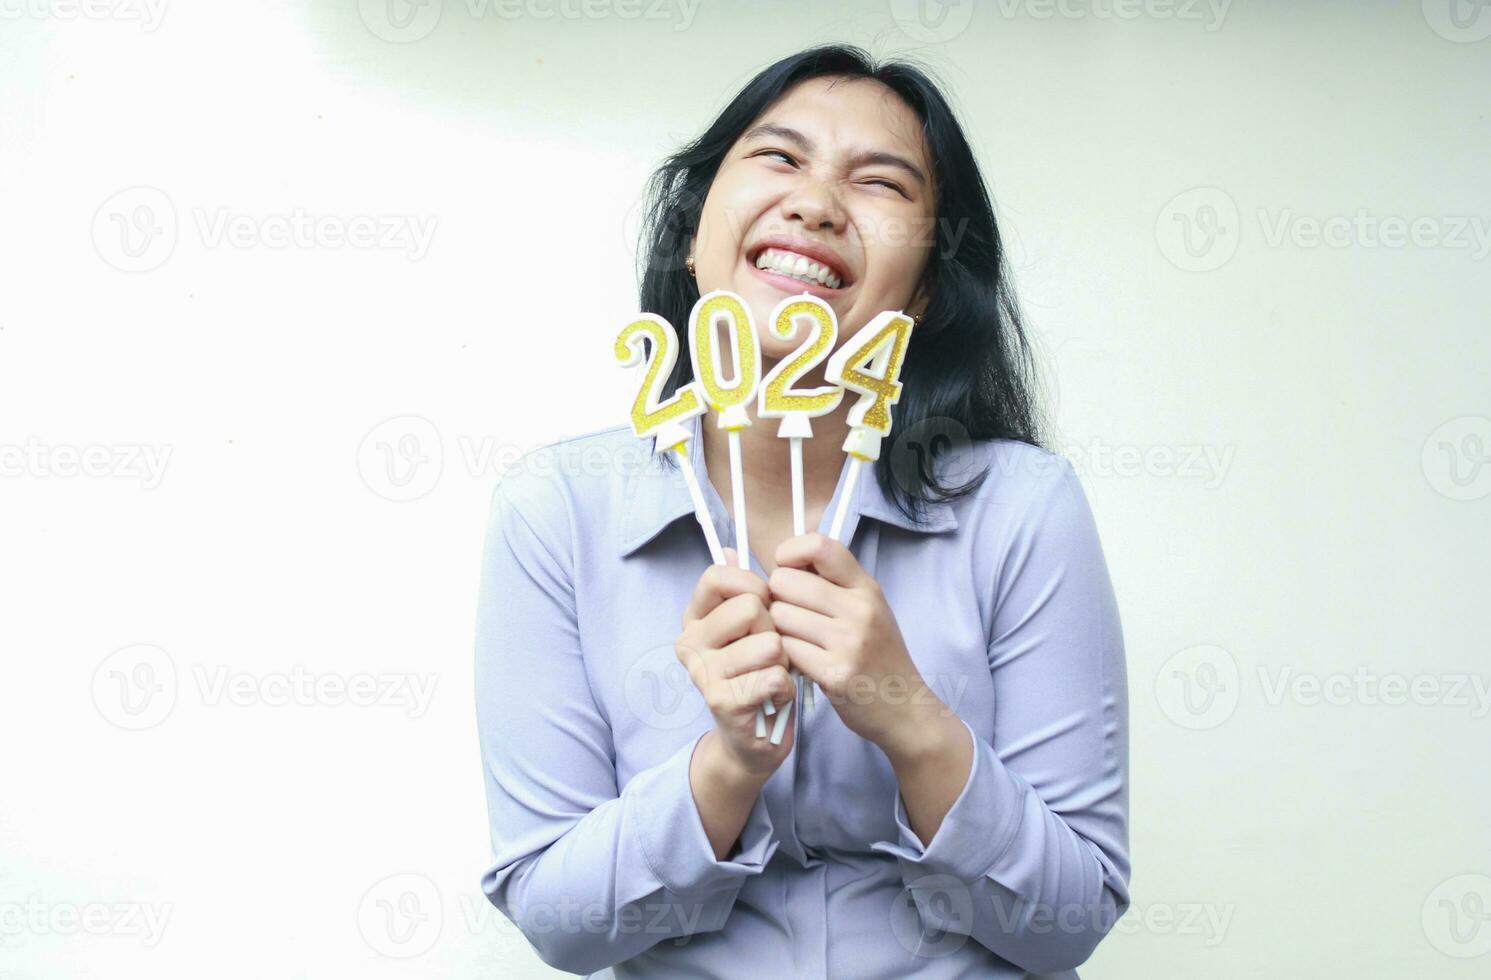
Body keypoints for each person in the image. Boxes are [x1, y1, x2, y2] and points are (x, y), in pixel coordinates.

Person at [475, 43, 1130, 979]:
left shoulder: (1023, 508)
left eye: (881, 183)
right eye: (779, 158)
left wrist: (905, 715)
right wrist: (728, 764)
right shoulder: (556, 511)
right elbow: (560, 926)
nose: (817, 202)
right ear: (694, 236)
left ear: (931, 283)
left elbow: (1070, 921)